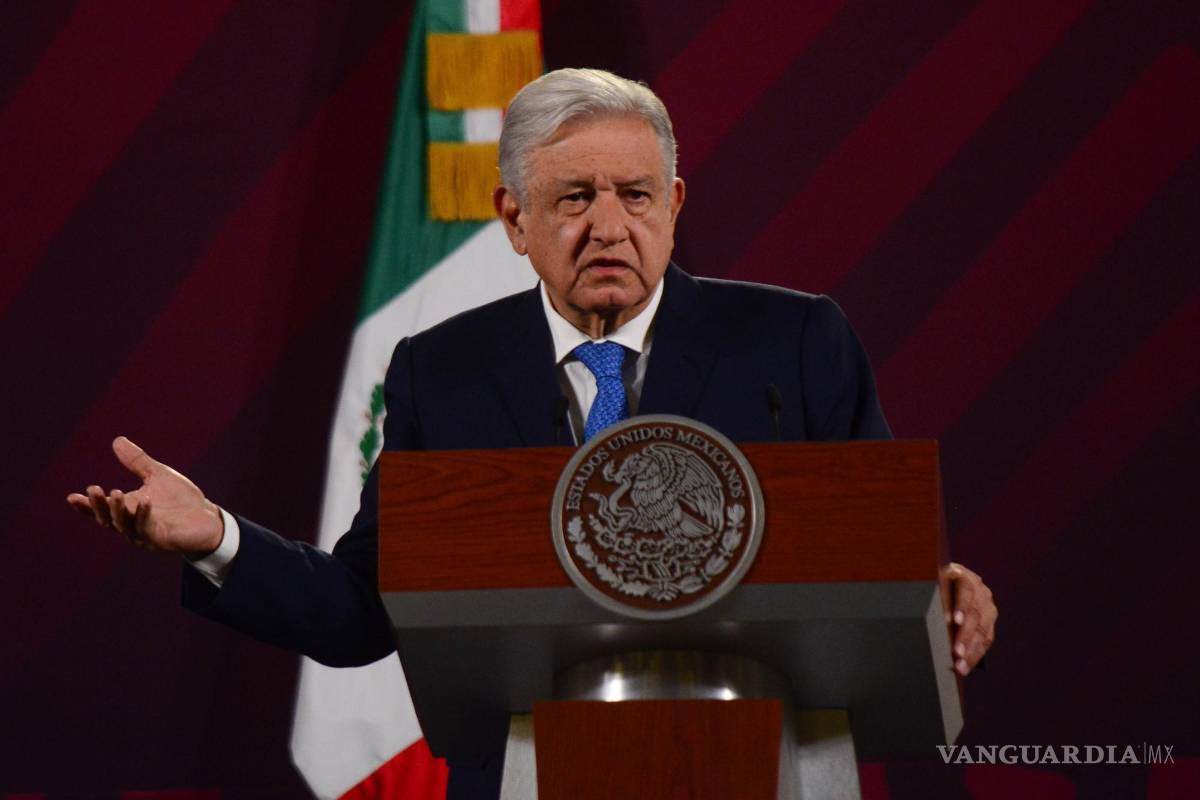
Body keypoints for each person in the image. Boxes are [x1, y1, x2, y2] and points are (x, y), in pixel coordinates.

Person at [68, 68, 997, 796]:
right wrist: (219, 540)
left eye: (636, 196)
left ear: (674, 207)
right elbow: (366, 610)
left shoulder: (795, 342)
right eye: (573, 198)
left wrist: (939, 588)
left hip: (774, 766)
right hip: (525, 777)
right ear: (514, 219)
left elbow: (883, 552)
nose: (608, 226)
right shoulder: (445, 369)